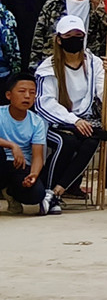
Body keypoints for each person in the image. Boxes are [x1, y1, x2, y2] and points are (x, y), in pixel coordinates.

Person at [34, 15, 107, 215]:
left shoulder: (94, 63)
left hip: (86, 121)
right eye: (69, 35)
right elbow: (45, 103)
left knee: (92, 141)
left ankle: (55, 192)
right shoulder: (48, 66)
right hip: (55, 123)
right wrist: (73, 120)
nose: (74, 39)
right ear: (59, 39)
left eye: (78, 35)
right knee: (67, 143)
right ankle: (47, 189)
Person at [30, 0, 107, 70]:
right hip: (56, 65)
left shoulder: (100, 4)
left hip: (89, 66)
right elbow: (38, 39)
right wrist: (35, 68)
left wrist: (96, 1)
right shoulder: (53, 4)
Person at [0, 74, 47, 215]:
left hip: (20, 165)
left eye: (32, 93)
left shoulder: (37, 122)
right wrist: (12, 146)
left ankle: (10, 193)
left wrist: (33, 174)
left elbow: (37, 156)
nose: (27, 96)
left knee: (36, 194)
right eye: (22, 91)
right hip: (2, 160)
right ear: (9, 95)